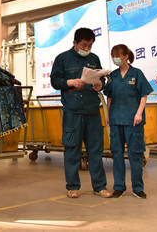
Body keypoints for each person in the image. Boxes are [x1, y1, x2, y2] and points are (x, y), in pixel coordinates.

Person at [50, 27, 112, 199]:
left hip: (92, 110)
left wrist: (100, 85)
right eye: (84, 45)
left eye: (90, 45)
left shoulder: (94, 59)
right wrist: (70, 82)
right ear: (75, 43)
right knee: (72, 150)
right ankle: (72, 187)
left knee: (96, 151)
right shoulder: (62, 58)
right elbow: (55, 81)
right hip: (73, 111)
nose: (87, 49)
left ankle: (99, 186)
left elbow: (100, 78)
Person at [104, 44, 153, 199]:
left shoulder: (136, 73)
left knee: (135, 155)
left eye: (117, 56)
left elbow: (144, 95)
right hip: (116, 120)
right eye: (113, 56)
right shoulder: (112, 76)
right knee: (117, 154)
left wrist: (139, 113)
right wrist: (108, 114)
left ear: (126, 56)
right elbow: (109, 96)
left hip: (133, 121)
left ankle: (138, 188)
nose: (115, 59)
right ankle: (119, 187)